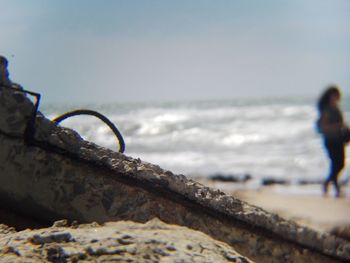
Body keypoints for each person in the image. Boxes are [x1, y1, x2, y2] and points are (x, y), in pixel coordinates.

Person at [317, 85, 350, 197]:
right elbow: (323, 127)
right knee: (337, 164)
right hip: (330, 140)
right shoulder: (326, 110)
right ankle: (333, 186)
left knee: (340, 164)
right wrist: (338, 126)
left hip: (338, 139)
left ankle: (331, 185)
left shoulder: (336, 108)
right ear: (331, 95)